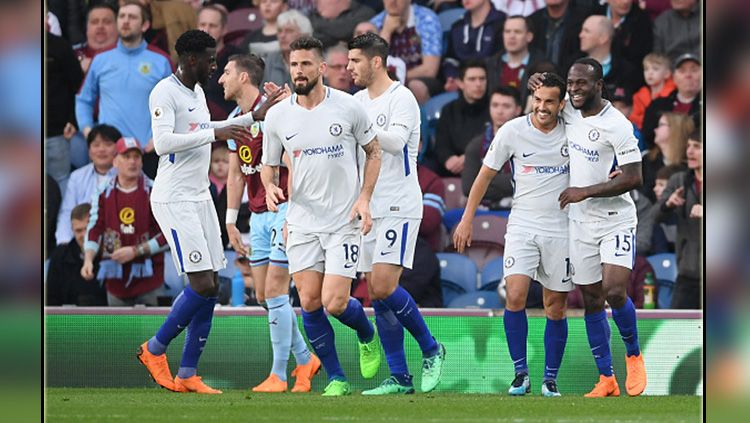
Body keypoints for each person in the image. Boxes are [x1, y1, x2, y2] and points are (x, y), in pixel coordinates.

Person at [137, 29, 280, 394]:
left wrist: (252, 118)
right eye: (211, 59)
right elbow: (164, 141)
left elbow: (208, 128)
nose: (215, 66)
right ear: (190, 60)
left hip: (199, 197)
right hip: (174, 198)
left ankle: (187, 373)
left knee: (212, 285)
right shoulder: (163, 92)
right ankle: (154, 349)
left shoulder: (198, 92)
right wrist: (217, 134)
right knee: (200, 284)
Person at [261, 36, 383, 396]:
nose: (299, 71)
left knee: (336, 302)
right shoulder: (278, 116)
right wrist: (270, 188)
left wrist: (365, 198)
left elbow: (374, 151)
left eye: (306, 64)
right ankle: (336, 378)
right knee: (310, 301)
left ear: (322, 68)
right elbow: (268, 165)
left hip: (343, 220)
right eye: (294, 65)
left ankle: (366, 332)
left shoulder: (347, 107)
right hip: (301, 221)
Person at [529, 58, 647, 397]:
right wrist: (534, 83)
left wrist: (585, 191)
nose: (575, 88)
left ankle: (634, 354)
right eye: (571, 82)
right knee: (592, 300)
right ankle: (606, 379)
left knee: (614, 291)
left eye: (582, 83)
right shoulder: (567, 111)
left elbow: (634, 176)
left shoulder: (617, 124)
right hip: (579, 224)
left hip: (615, 220)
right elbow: (543, 103)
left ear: (599, 85)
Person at [455, 72, 572, 397]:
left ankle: (550, 378)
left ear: (562, 104)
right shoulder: (513, 131)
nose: (542, 107)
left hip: (561, 228)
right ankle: (520, 373)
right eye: (538, 100)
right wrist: (467, 218)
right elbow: (483, 175)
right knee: (515, 295)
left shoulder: (573, 130)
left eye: (550, 101)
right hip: (522, 224)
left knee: (555, 306)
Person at [347, 32, 446, 395]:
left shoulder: (401, 98)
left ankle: (433, 349)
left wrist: (361, 128)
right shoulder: (355, 100)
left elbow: (395, 142)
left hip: (399, 203)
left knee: (386, 284)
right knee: (376, 290)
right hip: (367, 205)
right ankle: (400, 377)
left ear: (376, 62)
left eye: (355, 60)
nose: (349, 67)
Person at [219, 53, 321, 393]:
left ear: (244, 78)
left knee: (277, 290)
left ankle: (279, 373)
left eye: (227, 72)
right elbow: (235, 175)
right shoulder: (236, 119)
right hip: (258, 217)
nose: (221, 79)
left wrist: (294, 212)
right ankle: (306, 359)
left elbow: (300, 156)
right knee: (264, 295)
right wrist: (232, 221)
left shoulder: (279, 110)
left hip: (286, 210)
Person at [75, 0, 173, 179]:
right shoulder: (100, 59)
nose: (125, 21)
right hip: (110, 153)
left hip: (147, 152)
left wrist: (159, 137)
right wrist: (89, 131)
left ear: (145, 25)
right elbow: (83, 99)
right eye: (122, 16)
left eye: (132, 17)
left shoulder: (161, 61)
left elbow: (174, 105)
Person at [80, 137, 167, 306]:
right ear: (115, 162)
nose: (132, 162)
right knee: (118, 332)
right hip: (115, 281)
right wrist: (88, 259)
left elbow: (168, 234)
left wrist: (136, 251)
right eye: (126, 157)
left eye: (136, 156)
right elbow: (95, 227)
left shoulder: (155, 191)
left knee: (152, 332)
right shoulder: (102, 193)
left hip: (150, 282)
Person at [657, 131, 702, 309]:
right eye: (688, 146)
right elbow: (654, 216)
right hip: (688, 273)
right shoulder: (679, 180)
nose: (689, 151)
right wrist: (667, 205)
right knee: (679, 330)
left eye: (697, 147)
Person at [55, 124, 120, 245]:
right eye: (96, 145)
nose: (101, 149)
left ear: (118, 149)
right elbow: (67, 213)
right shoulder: (77, 177)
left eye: (108, 144)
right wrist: (64, 244)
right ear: (89, 151)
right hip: (81, 242)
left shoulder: (128, 174)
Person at [461, 86, 522, 209]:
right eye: (495, 105)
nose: (499, 111)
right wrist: (508, 183)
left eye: (506, 106)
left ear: (517, 110)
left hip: (520, 211)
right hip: (483, 209)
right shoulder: (475, 145)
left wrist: (484, 180)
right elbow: (468, 188)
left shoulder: (529, 144)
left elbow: (526, 183)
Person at [370, 0, 442, 103]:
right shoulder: (375, 23)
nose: (392, 1)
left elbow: (430, 70)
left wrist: (397, 76)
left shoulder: (426, 18)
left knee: (416, 87)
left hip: (419, 79)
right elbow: (372, 66)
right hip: (386, 80)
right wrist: (386, 32)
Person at [434, 59, 490, 176]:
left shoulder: (494, 108)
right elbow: (441, 143)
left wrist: (469, 158)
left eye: (482, 79)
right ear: (460, 83)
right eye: (472, 79)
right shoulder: (448, 110)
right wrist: (448, 159)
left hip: (484, 169)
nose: (478, 84)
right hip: (452, 168)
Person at [46, 29, 85, 195]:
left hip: (57, 132)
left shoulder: (59, 45)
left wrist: (72, 119)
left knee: (61, 181)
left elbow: (78, 86)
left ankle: (62, 221)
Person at [47, 203, 108, 306]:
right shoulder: (60, 257)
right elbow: (52, 299)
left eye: (88, 228)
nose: (84, 235)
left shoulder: (112, 254)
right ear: (72, 230)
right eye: (79, 231)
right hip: (68, 320)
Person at [640, 52, 701, 149]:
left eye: (694, 70)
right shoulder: (657, 105)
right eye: (682, 71)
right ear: (674, 77)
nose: (688, 75)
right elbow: (648, 136)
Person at [485, 15, 548, 108]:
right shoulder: (490, 64)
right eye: (507, 31)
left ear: (529, 36)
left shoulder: (542, 66)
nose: (511, 36)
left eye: (517, 32)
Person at [198, 4, 247, 121]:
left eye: (213, 25)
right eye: (202, 24)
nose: (206, 30)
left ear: (224, 29)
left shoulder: (237, 59)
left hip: (229, 127)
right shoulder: (187, 59)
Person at [442, 0, 506, 87]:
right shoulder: (457, 26)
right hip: (462, 83)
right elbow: (451, 59)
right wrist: (452, 77)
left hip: (491, 83)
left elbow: (500, 60)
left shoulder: (503, 24)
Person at [576, 15, 640, 99]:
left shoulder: (626, 71)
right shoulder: (573, 66)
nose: (580, 35)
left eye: (587, 31)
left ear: (603, 38)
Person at [640, 112, 692, 202]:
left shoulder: (690, 165)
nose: (655, 129)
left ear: (675, 129)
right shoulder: (647, 160)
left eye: (661, 125)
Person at [261, 9, 313, 87]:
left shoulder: (314, 60)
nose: (282, 36)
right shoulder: (270, 60)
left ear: (303, 35)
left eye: (289, 31)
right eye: (279, 31)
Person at [629, 52, 675, 130]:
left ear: (667, 74)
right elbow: (634, 118)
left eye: (655, 69)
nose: (650, 73)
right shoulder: (639, 96)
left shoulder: (673, 93)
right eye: (646, 69)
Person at [73, 2, 118, 75]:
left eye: (107, 22)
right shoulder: (72, 55)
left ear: (117, 27)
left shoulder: (131, 55)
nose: (100, 26)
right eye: (95, 22)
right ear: (87, 27)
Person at [310, 0, 375, 48]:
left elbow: (344, 31)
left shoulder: (365, 13)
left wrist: (317, 25)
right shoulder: (314, 15)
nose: (315, 1)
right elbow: (316, 38)